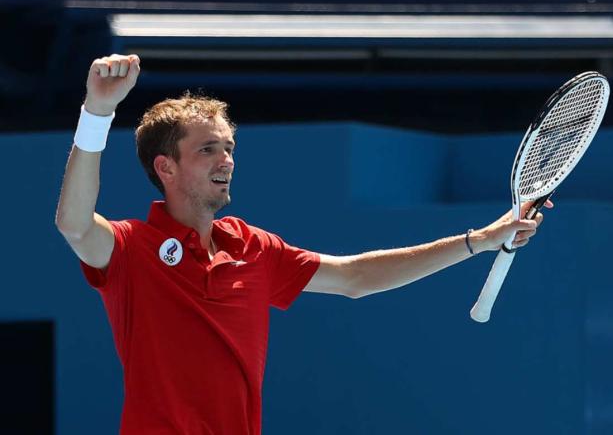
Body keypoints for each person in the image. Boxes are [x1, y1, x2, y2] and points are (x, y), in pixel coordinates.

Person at [56, 54, 549, 435]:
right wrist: (97, 113)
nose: (226, 160)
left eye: (229, 147)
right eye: (208, 149)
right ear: (165, 167)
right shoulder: (131, 248)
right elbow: (75, 224)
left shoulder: (254, 248)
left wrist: (479, 241)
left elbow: (356, 276)